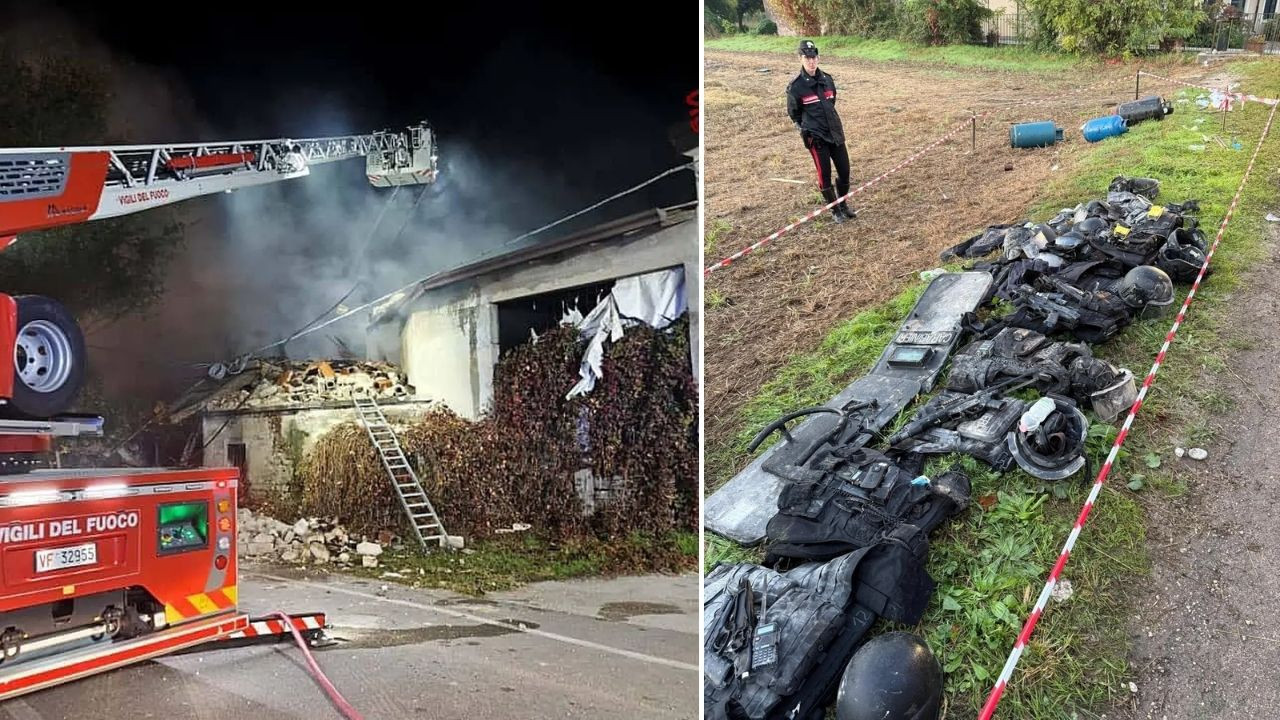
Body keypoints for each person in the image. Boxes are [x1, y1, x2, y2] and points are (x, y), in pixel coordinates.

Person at [787, 39, 856, 223]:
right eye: (807, 58)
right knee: (824, 175)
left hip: (835, 133)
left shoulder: (827, 79)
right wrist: (806, 130)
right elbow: (794, 114)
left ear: (818, 58)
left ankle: (843, 204)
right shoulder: (796, 87)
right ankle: (835, 211)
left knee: (845, 172)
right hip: (816, 138)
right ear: (800, 59)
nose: (811, 61)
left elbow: (831, 103)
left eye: (814, 57)